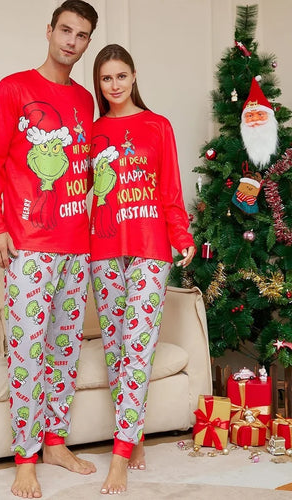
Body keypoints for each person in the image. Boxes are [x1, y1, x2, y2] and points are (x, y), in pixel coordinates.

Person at [0, 2, 98, 497]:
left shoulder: (87, 101)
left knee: (64, 349)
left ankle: (54, 442)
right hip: (27, 244)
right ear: (49, 32)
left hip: (78, 244)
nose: (71, 40)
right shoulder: (13, 88)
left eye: (82, 35)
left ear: (88, 42)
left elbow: (91, 171)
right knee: (27, 352)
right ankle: (24, 457)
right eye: (65, 30)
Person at [89, 44, 195, 495]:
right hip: (102, 249)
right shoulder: (91, 132)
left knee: (137, 344)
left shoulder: (157, 126)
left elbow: (169, 188)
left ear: (134, 77)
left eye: (121, 76)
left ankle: (119, 452)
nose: (114, 86)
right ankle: (133, 439)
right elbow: (81, 197)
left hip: (151, 249)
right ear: (99, 84)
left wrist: (182, 235)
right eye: (106, 79)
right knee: (116, 347)